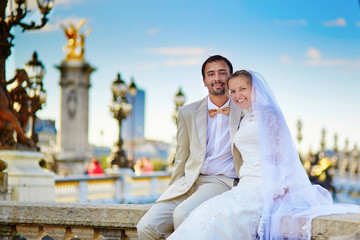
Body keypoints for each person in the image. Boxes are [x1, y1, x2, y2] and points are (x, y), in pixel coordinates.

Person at [168, 70, 359, 240]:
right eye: (232, 91)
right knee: (206, 213)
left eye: (242, 89)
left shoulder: (269, 114)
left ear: (255, 89)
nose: (237, 95)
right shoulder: (244, 117)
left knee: (222, 216)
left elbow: (283, 156)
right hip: (245, 186)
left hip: (264, 187)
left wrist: (279, 189)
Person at [137, 55, 243, 239]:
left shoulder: (244, 110)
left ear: (230, 77)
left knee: (183, 214)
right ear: (204, 81)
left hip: (221, 181)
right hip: (188, 181)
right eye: (211, 74)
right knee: (146, 227)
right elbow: (181, 156)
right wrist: (174, 188)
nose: (216, 78)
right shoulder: (187, 112)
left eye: (222, 73)